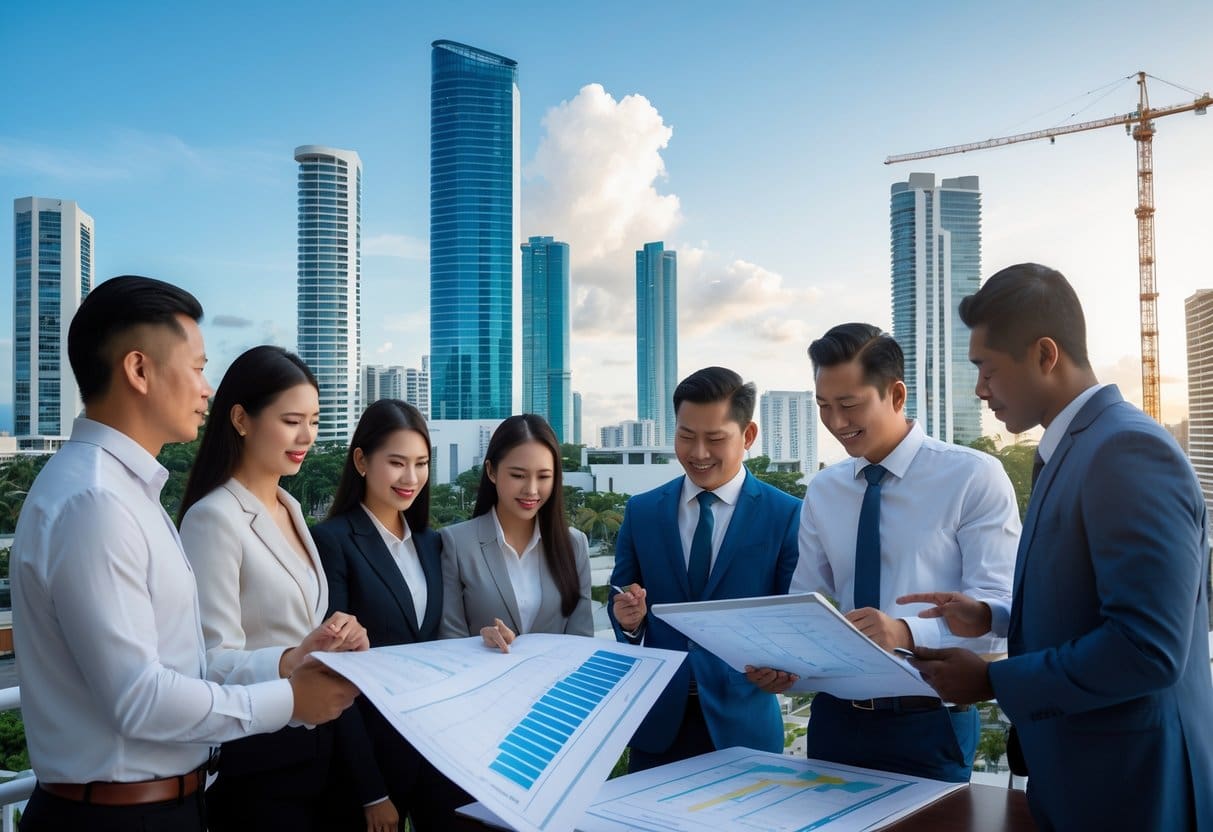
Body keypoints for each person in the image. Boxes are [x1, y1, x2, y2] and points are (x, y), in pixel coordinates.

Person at [11, 276, 358, 832]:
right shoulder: (95, 502)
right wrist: (289, 701)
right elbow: (138, 699)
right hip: (115, 816)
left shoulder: (129, 493)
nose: (207, 389)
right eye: (197, 367)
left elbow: (190, 665)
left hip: (162, 805)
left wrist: (286, 661)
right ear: (139, 370)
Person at [902, 264, 1213, 828]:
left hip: (1134, 789)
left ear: (1046, 355)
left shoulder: (1126, 450)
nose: (979, 389)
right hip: (1085, 776)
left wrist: (992, 681)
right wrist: (994, 616)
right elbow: (1086, 603)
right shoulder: (1074, 447)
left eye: (987, 369)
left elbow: (1147, 648)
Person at [746, 323, 1018, 783]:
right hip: (835, 719)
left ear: (895, 395)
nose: (835, 422)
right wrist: (781, 660)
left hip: (930, 718)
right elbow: (805, 600)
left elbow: (1003, 613)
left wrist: (904, 632)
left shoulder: (972, 477)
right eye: (823, 407)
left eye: (849, 405)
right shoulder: (824, 490)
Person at [177, 345, 369, 830]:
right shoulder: (213, 518)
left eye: (316, 420)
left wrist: (337, 638)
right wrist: (292, 660)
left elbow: (299, 623)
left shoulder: (290, 506)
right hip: (259, 756)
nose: (307, 436)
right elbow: (210, 663)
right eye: (291, 420)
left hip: (321, 748)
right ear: (241, 419)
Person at [609, 366, 800, 772]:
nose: (698, 453)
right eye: (685, 436)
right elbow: (620, 601)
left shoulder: (785, 515)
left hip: (744, 726)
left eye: (715, 439)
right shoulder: (641, 511)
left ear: (747, 436)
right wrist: (628, 620)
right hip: (658, 724)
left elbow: (793, 619)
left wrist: (783, 665)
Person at [311, 399, 475, 832]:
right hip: (366, 764)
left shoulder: (429, 543)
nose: (411, 478)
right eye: (397, 462)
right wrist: (372, 791)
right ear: (362, 461)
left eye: (421, 463)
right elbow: (334, 670)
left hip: (432, 754)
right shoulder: (333, 541)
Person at [440, 414, 592, 649]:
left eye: (543, 476)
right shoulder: (457, 543)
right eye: (518, 475)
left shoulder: (574, 544)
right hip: (482, 682)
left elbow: (581, 641)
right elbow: (449, 640)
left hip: (555, 683)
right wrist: (480, 643)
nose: (531, 489)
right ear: (491, 471)